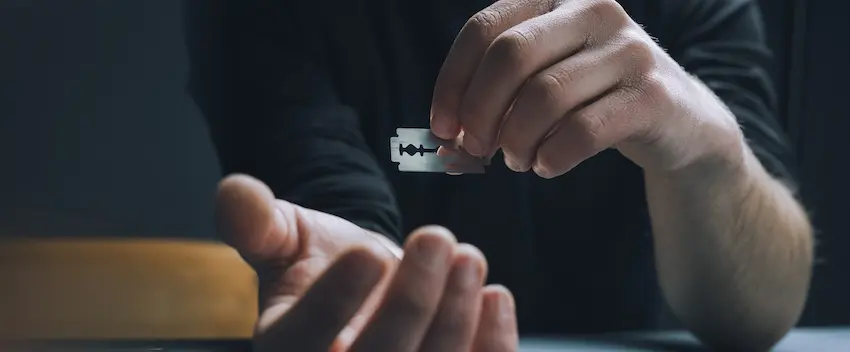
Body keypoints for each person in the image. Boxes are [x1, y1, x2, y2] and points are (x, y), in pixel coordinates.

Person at [183, 0, 814, 350]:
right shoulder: (274, 14)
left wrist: (703, 150)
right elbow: (329, 193)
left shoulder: (692, 9)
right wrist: (361, 281)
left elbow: (762, 310)